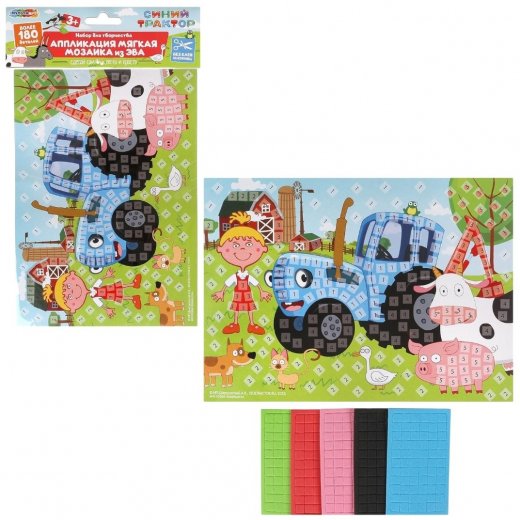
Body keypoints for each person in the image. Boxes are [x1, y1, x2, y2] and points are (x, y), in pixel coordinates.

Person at [212, 211, 272, 335]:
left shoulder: (248, 276)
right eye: (235, 245)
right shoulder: (235, 276)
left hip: (248, 295)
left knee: (250, 308)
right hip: (238, 296)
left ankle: (252, 324)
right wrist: (221, 292)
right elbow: (227, 283)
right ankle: (235, 324)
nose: (243, 248)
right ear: (221, 249)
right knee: (236, 308)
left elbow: (256, 284)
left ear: (263, 248)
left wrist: (262, 291)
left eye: (249, 244)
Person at [43, 268, 142, 318]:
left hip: (107, 288)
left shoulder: (93, 287)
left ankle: (133, 284)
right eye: (69, 296)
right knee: (118, 296)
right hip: (108, 295)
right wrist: (107, 310)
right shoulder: (94, 297)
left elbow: (99, 281)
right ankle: (133, 298)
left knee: (118, 286)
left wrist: (106, 275)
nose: (72, 291)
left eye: (68, 286)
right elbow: (100, 304)